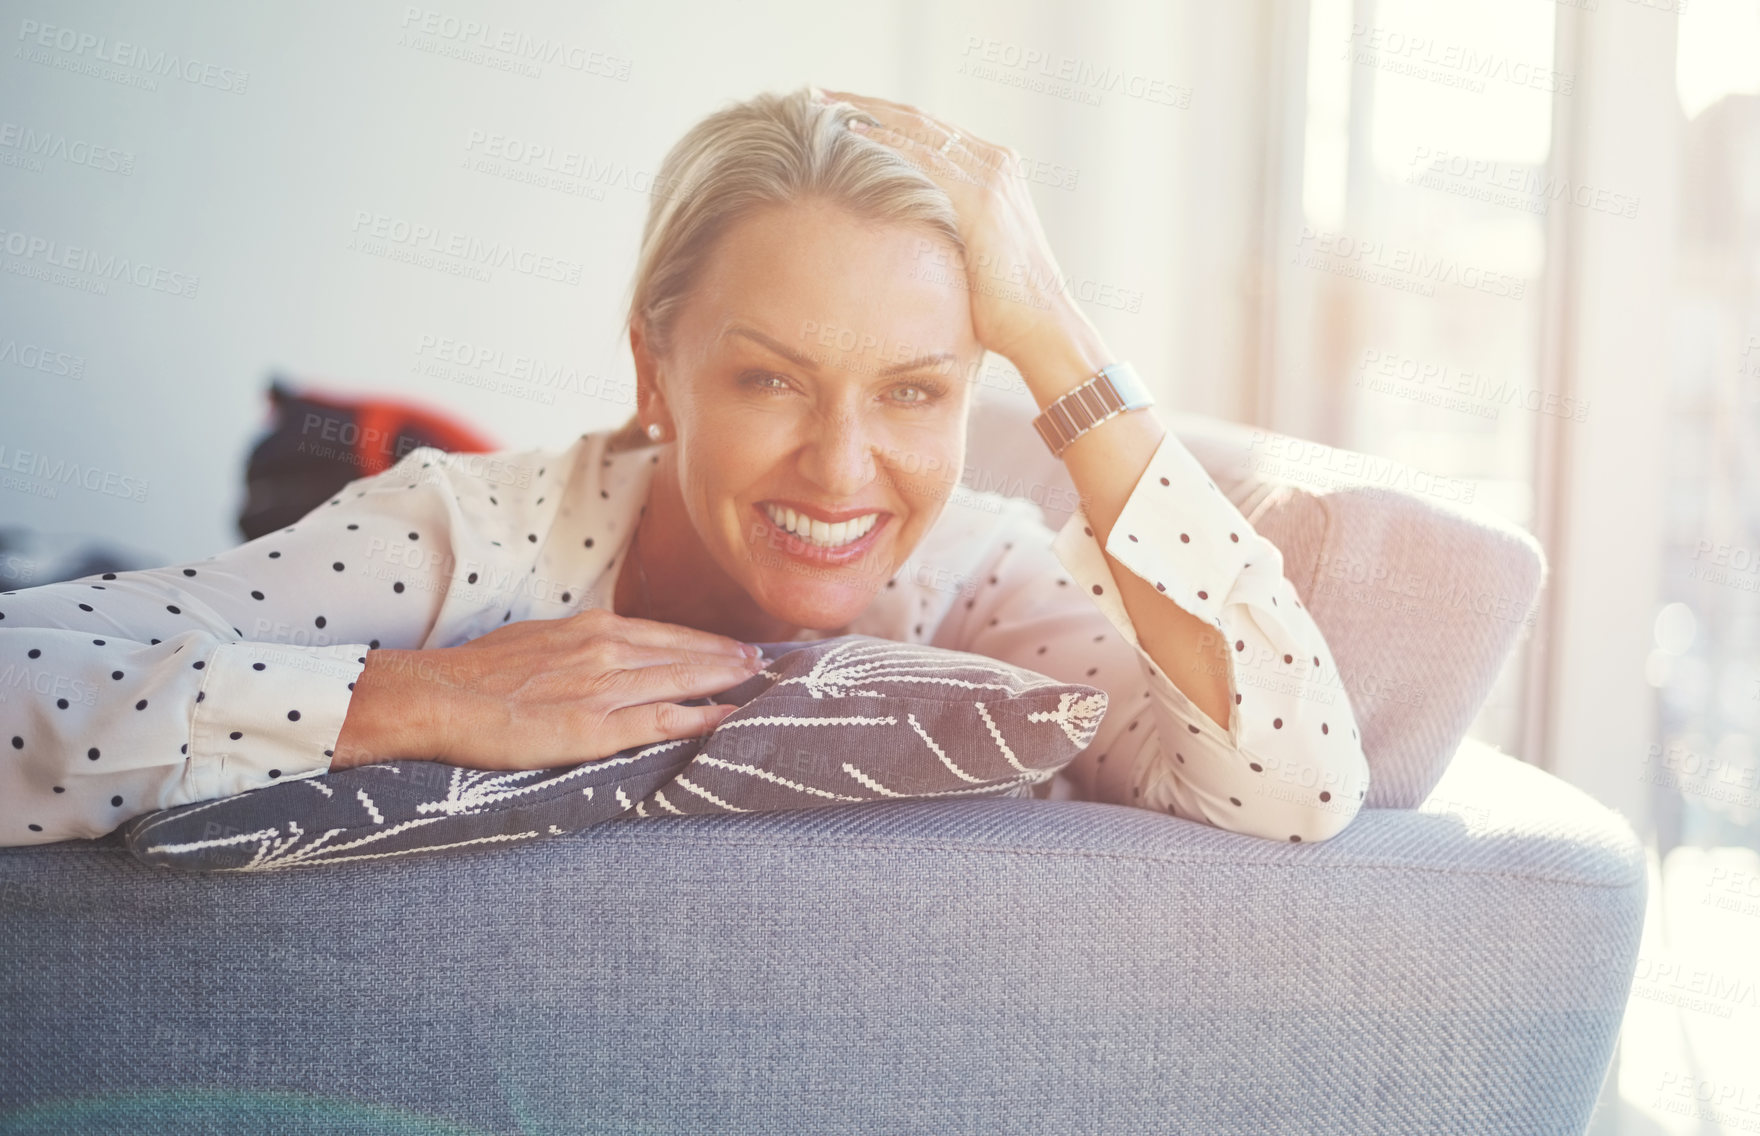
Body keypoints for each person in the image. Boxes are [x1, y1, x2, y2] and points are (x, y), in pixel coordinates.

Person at [0, 86, 1369, 848]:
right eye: (770, 378)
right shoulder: (465, 534)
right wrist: (417, 700)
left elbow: (1294, 785)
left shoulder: (981, 579)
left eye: (914, 390)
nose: (844, 469)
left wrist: (1058, 339)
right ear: (657, 375)